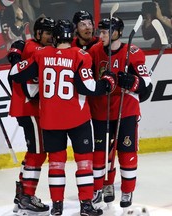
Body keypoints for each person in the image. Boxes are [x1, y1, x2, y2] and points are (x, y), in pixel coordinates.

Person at [9, 19, 117, 216]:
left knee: (56, 164)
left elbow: (16, 73)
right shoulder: (80, 55)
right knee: (84, 162)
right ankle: (86, 205)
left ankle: (57, 206)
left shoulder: (41, 54)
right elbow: (88, 88)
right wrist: (108, 82)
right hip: (77, 118)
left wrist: (16, 56)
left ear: (56, 37)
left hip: (50, 120)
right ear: (72, 35)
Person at [87, 17, 152, 208]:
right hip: (101, 110)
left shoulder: (133, 52)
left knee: (126, 151)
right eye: (100, 31)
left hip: (126, 110)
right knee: (100, 153)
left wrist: (132, 81)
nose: (101, 35)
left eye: (105, 32)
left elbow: (146, 83)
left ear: (117, 32)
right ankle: (100, 188)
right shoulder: (95, 51)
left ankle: (127, 190)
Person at [6, 16, 55, 215]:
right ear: (37, 33)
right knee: (38, 152)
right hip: (30, 110)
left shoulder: (31, 47)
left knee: (34, 151)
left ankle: (22, 193)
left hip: (29, 109)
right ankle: (27, 196)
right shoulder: (34, 49)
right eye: (48, 33)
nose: (51, 37)